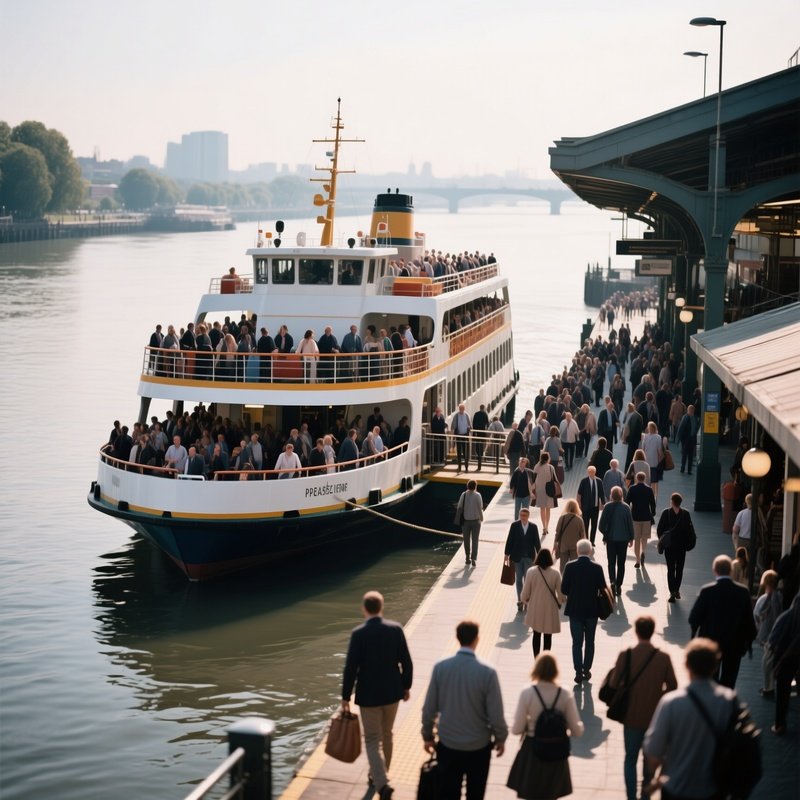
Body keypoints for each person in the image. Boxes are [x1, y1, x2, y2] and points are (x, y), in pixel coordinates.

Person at [422, 621, 507, 800]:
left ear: (457, 638)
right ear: (477, 639)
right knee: (475, 794)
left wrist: (427, 735)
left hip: (448, 743)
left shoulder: (441, 668)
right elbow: (496, 713)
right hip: (479, 746)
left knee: (448, 793)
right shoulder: (488, 672)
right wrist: (500, 738)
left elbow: (429, 708)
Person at [643, 639, 737, 800]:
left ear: (687, 665)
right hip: (712, 790)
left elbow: (653, 751)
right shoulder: (729, 703)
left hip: (676, 789)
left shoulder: (671, 702)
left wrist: (656, 777)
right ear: (715, 666)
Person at [342, 591, 413, 800]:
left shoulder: (359, 634)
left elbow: (350, 668)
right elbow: (406, 662)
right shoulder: (395, 630)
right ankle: (381, 776)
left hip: (369, 694)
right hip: (392, 692)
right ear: (382, 607)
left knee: (372, 739)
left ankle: (381, 783)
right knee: (387, 734)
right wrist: (406, 686)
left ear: (364, 609)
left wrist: (345, 697)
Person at [606, 616, 677, 800]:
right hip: (654, 717)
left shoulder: (626, 655)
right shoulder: (663, 658)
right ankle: (646, 794)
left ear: (636, 631)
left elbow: (613, 684)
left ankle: (631, 796)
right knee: (649, 760)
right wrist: (658, 696)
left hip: (630, 715)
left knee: (630, 758)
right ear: (653, 631)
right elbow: (673, 685)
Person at [509, 653, 584, 800]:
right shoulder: (564, 693)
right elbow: (577, 731)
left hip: (532, 749)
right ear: (556, 670)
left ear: (536, 669)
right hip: (557, 751)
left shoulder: (528, 693)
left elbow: (516, 729)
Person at [688, 555, 757, 687]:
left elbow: (694, 618)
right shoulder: (743, 592)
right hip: (734, 645)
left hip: (710, 644)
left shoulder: (707, 591)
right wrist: (748, 642)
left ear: (715, 570)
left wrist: (694, 635)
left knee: (710, 678)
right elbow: (749, 620)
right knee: (729, 679)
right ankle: (726, 702)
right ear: (731, 570)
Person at [561, 538, 608, 684]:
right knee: (590, 641)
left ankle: (577, 671)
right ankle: (586, 669)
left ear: (577, 551)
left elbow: (563, 589)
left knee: (576, 642)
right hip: (592, 610)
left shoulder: (569, 567)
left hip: (575, 610)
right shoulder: (597, 568)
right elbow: (603, 588)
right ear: (590, 551)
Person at [521, 549, 565, 657]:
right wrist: (559, 602)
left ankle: (536, 659)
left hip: (535, 607)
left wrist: (525, 600)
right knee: (548, 635)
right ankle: (545, 661)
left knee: (536, 634)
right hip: (550, 608)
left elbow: (525, 593)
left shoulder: (531, 571)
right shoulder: (555, 573)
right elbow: (561, 594)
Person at [767, 592, 800, 735]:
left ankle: (779, 724)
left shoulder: (785, 617)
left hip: (785, 660)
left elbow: (772, 640)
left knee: (783, 693)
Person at [598, 485, 634, 596]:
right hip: (623, 540)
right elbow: (630, 524)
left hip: (611, 539)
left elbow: (601, 525)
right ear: (622, 495)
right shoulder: (626, 507)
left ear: (611, 496)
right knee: (621, 563)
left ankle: (612, 581)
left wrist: (606, 533)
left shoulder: (608, 507)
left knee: (611, 562)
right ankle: (619, 585)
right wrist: (631, 538)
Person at [753, 570, 782, 698]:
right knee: (770, 660)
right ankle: (769, 686)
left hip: (769, 634)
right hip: (775, 634)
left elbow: (758, 614)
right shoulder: (780, 597)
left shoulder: (767, 598)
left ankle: (768, 688)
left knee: (767, 662)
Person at [505, 508, 541, 613]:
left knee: (527, 580)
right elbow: (510, 539)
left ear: (528, 516)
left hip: (529, 558)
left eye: (524, 515)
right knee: (519, 579)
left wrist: (540, 555)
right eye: (521, 515)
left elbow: (537, 542)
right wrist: (506, 554)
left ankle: (527, 600)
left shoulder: (533, 527)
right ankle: (520, 600)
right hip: (517, 558)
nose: (522, 517)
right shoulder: (514, 526)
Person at [627, 471, 656, 569]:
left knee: (637, 539)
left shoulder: (632, 489)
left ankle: (638, 560)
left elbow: (627, 502)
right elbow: (652, 503)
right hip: (646, 517)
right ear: (644, 479)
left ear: (636, 478)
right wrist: (653, 513)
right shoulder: (649, 489)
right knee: (644, 538)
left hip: (635, 517)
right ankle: (643, 551)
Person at [455, 479, 483, 567]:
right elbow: (480, 507)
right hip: (476, 521)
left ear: (467, 486)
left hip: (465, 522)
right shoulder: (478, 495)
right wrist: (481, 518)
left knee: (466, 540)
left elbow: (459, 507)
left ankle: (467, 557)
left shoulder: (463, 495)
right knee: (475, 540)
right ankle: (474, 558)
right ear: (475, 486)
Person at [553, 499, 585, 574]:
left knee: (563, 567)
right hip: (575, 547)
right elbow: (582, 536)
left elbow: (557, 533)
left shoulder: (562, 518)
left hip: (564, 546)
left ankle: (563, 582)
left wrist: (555, 544)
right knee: (575, 567)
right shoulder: (579, 520)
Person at [577, 465, 605, 546]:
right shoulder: (584, 481)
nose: (592, 473)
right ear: (588, 473)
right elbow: (579, 494)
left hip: (595, 507)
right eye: (590, 472)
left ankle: (592, 541)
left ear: (595, 472)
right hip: (585, 507)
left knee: (594, 525)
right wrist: (578, 505)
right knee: (585, 524)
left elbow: (601, 494)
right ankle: (586, 540)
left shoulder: (599, 481)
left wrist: (603, 504)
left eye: (593, 472)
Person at [532, 452, 557, 537]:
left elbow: (533, 475)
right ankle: (547, 526)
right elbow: (555, 479)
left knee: (542, 509)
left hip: (540, 490)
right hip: (549, 491)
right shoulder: (551, 467)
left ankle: (543, 527)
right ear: (548, 458)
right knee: (548, 509)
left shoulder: (537, 466)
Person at [676, 404, 700, 475]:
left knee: (690, 455)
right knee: (684, 454)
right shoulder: (685, 417)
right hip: (685, 440)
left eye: (692, 410)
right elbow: (681, 428)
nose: (691, 411)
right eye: (690, 410)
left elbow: (697, 428)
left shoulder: (695, 418)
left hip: (692, 439)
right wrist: (679, 439)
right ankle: (682, 468)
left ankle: (689, 470)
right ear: (688, 410)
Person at [451, 403, 472, 472]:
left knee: (466, 452)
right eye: (460, 409)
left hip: (465, 436)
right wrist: (452, 432)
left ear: (464, 409)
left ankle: (466, 467)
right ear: (459, 409)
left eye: (462, 409)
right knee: (459, 452)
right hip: (458, 436)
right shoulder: (456, 416)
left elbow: (470, 425)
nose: (461, 410)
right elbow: (453, 425)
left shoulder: (466, 415)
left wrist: (470, 429)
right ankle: (459, 466)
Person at [472, 404, 489, 470]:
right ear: (484, 408)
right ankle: (481, 454)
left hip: (477, 432)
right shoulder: (485, 414)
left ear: (479, 408)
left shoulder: (476, 414)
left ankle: (478, 454)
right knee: (482, 444)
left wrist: (474, 432)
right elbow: (487, 424)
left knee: (477, 443)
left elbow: (474, 423)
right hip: (483, 432)